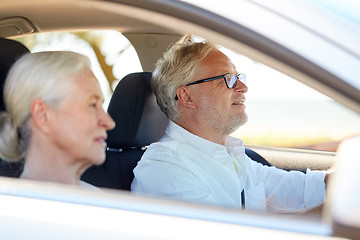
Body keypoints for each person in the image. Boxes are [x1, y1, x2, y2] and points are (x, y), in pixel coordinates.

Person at [131, 37, 329, 213]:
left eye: (238, 77)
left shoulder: (230, 156)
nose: (243, 88)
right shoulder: (166, 170)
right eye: (228, 79)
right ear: (187, 96)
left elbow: (302, 189)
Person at [0, 51, 115, 186]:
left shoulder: (103, 200)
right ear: (42, 115)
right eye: (92, 105)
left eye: (101, 105)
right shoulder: (11, 205)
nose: (109, 123)